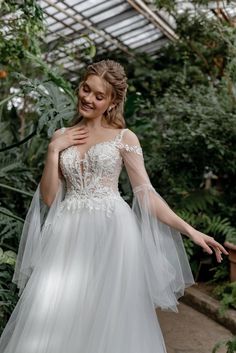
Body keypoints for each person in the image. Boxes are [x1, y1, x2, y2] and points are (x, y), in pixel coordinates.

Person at [0, 59, 228, 353]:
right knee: (57, 313)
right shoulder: (61, 137)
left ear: (111, 102)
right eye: (86, 89)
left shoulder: (124, 138)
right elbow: (48, 197)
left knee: (108, 316)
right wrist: (54, 149)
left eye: (99, 96)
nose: (88, 98)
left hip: (112, 235)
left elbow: (145, 193)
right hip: (66, 235)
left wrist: (190, 230)